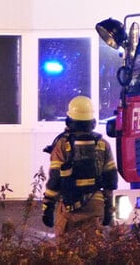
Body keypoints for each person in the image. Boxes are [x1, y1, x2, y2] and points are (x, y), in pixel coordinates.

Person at [41, 96, 118, 236]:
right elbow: (110, 180)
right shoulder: (102, 144)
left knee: (65, 253)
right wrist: (108, 210)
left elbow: (55, 179)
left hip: (69, 208)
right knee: (93, 251)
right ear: (92, 122)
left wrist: (48, 206)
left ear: (69, 120)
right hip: (95, 205)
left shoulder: (62, 144)